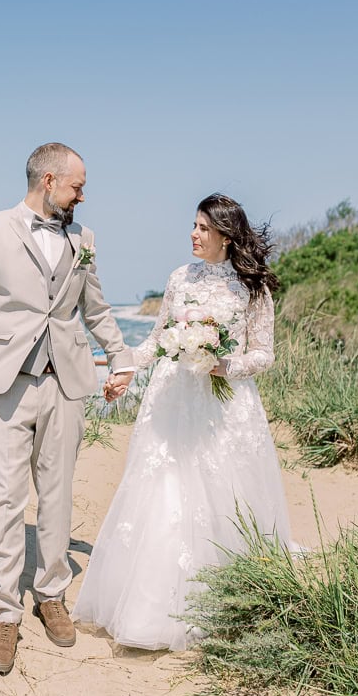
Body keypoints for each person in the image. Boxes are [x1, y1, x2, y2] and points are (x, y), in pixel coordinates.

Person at [74, 193, 293, 651]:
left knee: (223, 495)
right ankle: (150, 609)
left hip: (223, 407)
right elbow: (157, 342)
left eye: (203, 228)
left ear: (226, 236)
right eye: (194, 225)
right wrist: (123, 369)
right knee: (164, 490)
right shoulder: (179, 277)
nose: (194, 234)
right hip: (172, 401)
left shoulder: (252, 288)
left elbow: (263, 355)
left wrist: (225, 366)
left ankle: (226, 598)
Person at [0, 143, 135, 674]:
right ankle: (5, 614)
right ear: (49, 181)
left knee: (57, 494)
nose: (83, 196)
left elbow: (95, 308)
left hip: (67, 383)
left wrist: (120, 358)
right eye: (78, 186)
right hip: (6, 384)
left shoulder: (84, 239)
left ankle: (51, 595)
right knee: (6, 499)